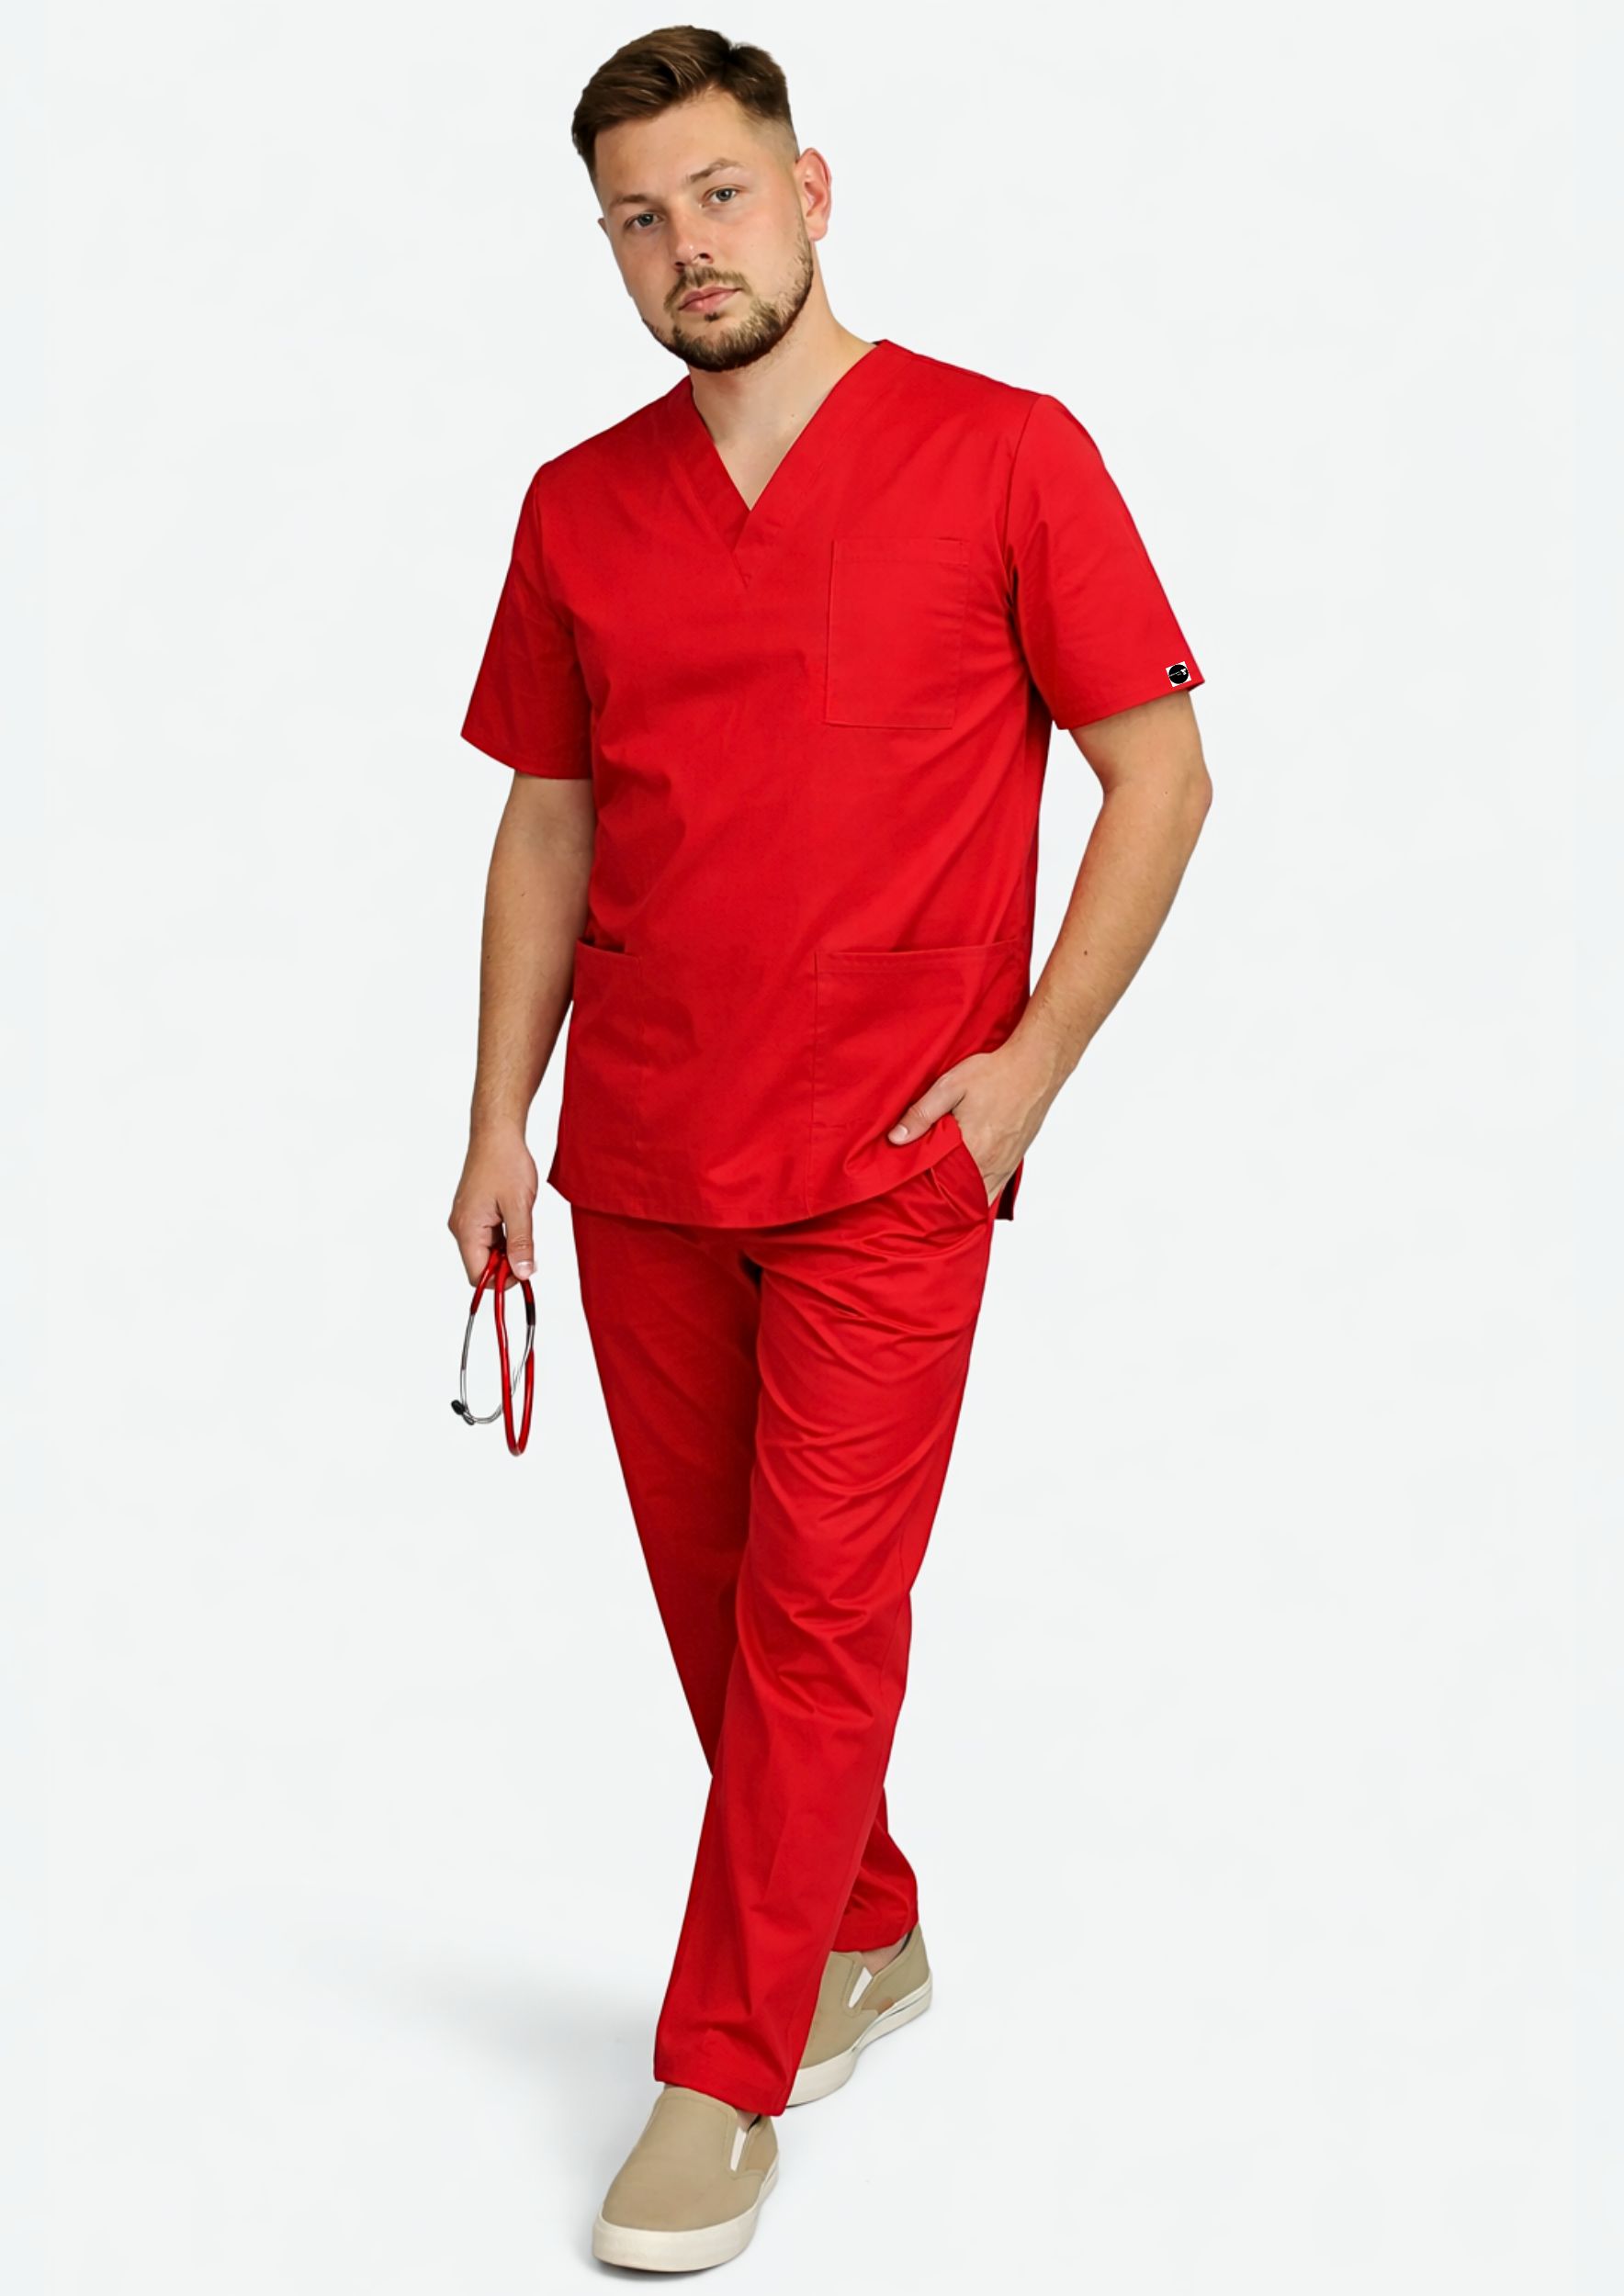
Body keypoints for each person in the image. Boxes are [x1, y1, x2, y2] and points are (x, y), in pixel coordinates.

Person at [446, 23, 1212, 2274]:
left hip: (893, 1156)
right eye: (637, 218)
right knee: (721, 1615)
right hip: (639, 1160)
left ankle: (722, 2066)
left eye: (717, 193)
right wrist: (495, 1120)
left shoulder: (1004, 453)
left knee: (813, 1618)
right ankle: (856, 1923)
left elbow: (1156, 772)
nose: (685, 245)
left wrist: (1028, 1068)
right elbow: (548, 819)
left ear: (809, 188)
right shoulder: (576, 507)